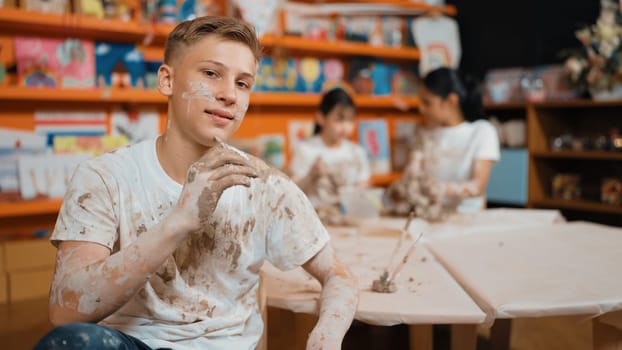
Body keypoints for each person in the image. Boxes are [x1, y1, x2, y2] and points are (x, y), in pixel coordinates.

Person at [34, 16, 358, 350]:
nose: (229, 95)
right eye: (211, 73)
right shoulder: (104, 176)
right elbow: (64, 311)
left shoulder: (266, 187)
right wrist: (178, 221)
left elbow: (340, 277)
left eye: (243, 83)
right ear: (167, 80)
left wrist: (327, 335)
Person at [388, 67, 500, 216]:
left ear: (451, 101)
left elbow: (477, 187)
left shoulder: (481, 132)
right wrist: (404, 189)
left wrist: (439, 188)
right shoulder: (423, 134)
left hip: (468, 218)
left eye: (427, 103)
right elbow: (412, 176)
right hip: (429, 216)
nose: (421, 109)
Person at [289, 87, 370, 224]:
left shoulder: (357, 152)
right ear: (321, 118)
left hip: (347, 222)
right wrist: (311, 175)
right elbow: (292, 192)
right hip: (314, 222)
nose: (346, 127)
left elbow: (363, 187)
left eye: (350, 120)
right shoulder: (306, 149)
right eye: (339, 120)